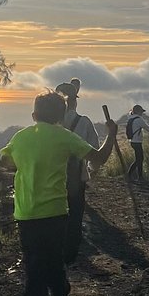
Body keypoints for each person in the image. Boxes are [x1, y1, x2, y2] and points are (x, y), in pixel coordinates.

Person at [0, 90, 117, 296]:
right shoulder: (65, 136)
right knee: (55, 263)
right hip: (55, 213)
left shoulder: (20, 137)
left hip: (26, 214)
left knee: (33, 265)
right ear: (62, 116)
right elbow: (98, 158)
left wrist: (27, 166)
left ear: (33, 115)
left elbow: (6, 161)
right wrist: (111, 133)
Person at [55, 80, 98, 265]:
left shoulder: (48, 125)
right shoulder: (84, 122)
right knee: (75, 213)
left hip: (52, 176)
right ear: (75, 101)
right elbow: (95, 149)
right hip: (76, 177)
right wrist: (91, 170)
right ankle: (71, 252)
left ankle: (55, 247)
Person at [125, 104, 149, 183]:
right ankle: (138, 177)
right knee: (139, 159)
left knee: (139, 159)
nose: (142, 113)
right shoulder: (139, 119)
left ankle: (132, 176)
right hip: (137, 142)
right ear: (138, 111)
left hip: (133, 141)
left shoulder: (131, 118)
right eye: (141, 111)